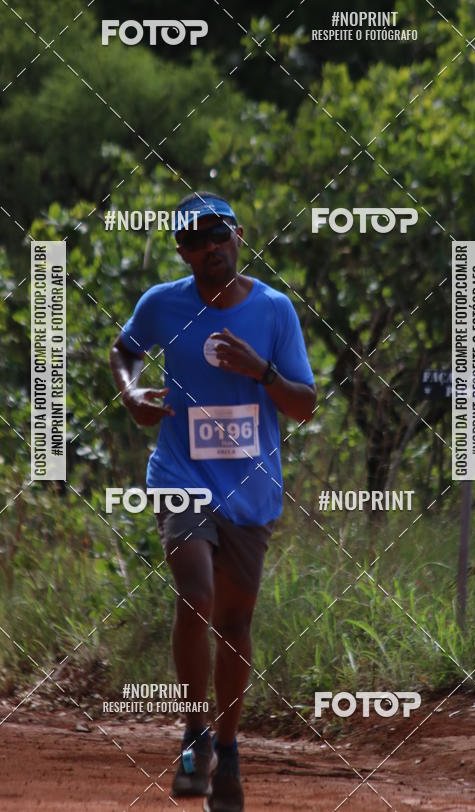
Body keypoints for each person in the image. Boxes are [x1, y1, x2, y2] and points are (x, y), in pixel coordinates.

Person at [110, 192, 316, 812]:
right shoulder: (163, 303)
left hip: (250, 490)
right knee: (195, 593)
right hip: (181, 474)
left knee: (234, 624)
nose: (209, 248)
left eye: (217, 234)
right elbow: (124, 350)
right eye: (194, 241)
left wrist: (261, 371)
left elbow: (304, 406)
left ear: (238, 235)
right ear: (183, 252)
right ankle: (195, 733)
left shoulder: (274, 311)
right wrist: (130, 394)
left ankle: (227, 749)